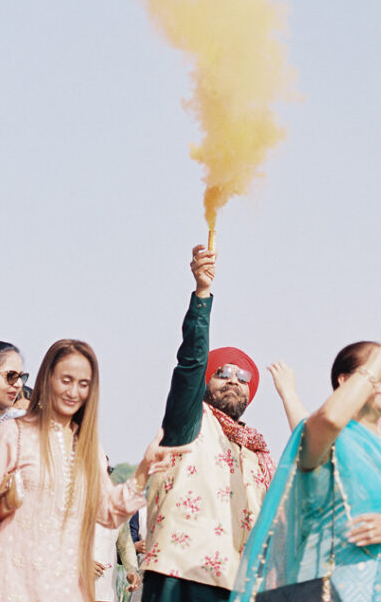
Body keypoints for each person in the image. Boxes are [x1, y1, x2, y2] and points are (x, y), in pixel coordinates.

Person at [233, 320, 381, 602]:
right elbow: (329, 417)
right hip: (323, 590)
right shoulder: (328, 437)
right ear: (344, 381)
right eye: (379, 371)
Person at [0, 339, 185, 602]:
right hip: (10, 586)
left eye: (83, 384)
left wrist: (144, 471)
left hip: (67, 588)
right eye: (66, 380)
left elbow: (108, 512)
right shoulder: (13, 434)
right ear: (47, 379)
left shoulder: (89, 447)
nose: (73, 392)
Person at [141, 243, 274, 602]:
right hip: (178, 575)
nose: (233, 380)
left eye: (243, 377)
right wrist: (202, 294)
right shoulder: (189, 420)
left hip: (237, 584)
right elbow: (190, 363)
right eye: (223, 373)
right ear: (205, 382)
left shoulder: (256, 449)